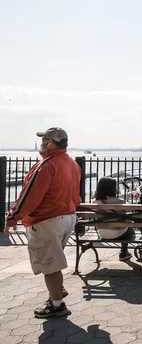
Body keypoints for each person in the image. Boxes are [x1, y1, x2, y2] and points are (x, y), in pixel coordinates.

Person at [3, 127, 80, 318]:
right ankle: (56, 292)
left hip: (47, 220)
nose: (42, 143)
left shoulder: (46, 165)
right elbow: (75, 195)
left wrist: (12, 218)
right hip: (67, 217)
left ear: (51, 143)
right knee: (54, 260)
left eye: (45, 139)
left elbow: (30, 197)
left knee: (50, 265)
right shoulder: (72, 163)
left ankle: (57, 305)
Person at [94, 177, 135, 261]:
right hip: (119, 234)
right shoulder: (119, 202)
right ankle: (124, 252)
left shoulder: (95, 203)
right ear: (112, 189)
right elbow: (128, 214)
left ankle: (124, 252)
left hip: (102, 234)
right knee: (130, 227)